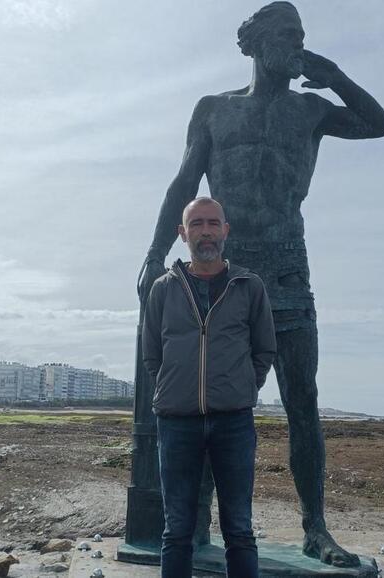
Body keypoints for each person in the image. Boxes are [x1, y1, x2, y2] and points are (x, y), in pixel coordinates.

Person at [138, 1, 384, 567]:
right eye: (286, 34)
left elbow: (380, 125)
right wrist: (156, 253)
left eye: (302, 35)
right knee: (213, 402)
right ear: (254, 44)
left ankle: (315, 528)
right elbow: (184, 182)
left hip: (287, 265)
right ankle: (197, 523)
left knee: (303, 400)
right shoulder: (213, 110)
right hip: (224, 273)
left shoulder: (311, 111)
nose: (297, 43)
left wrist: (336, 77)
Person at [143, 197, 277, 578]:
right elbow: (152, 354)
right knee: (177, 531)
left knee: (239, 529)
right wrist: (175, 388)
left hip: (233, 423)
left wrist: (243, 386)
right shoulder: (162, 289)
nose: (205, 231)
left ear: (225, 231)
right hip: (176, 422)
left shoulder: (249, 286)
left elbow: (264, 348)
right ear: (182, 233)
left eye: (213, 223)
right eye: (196, 223)